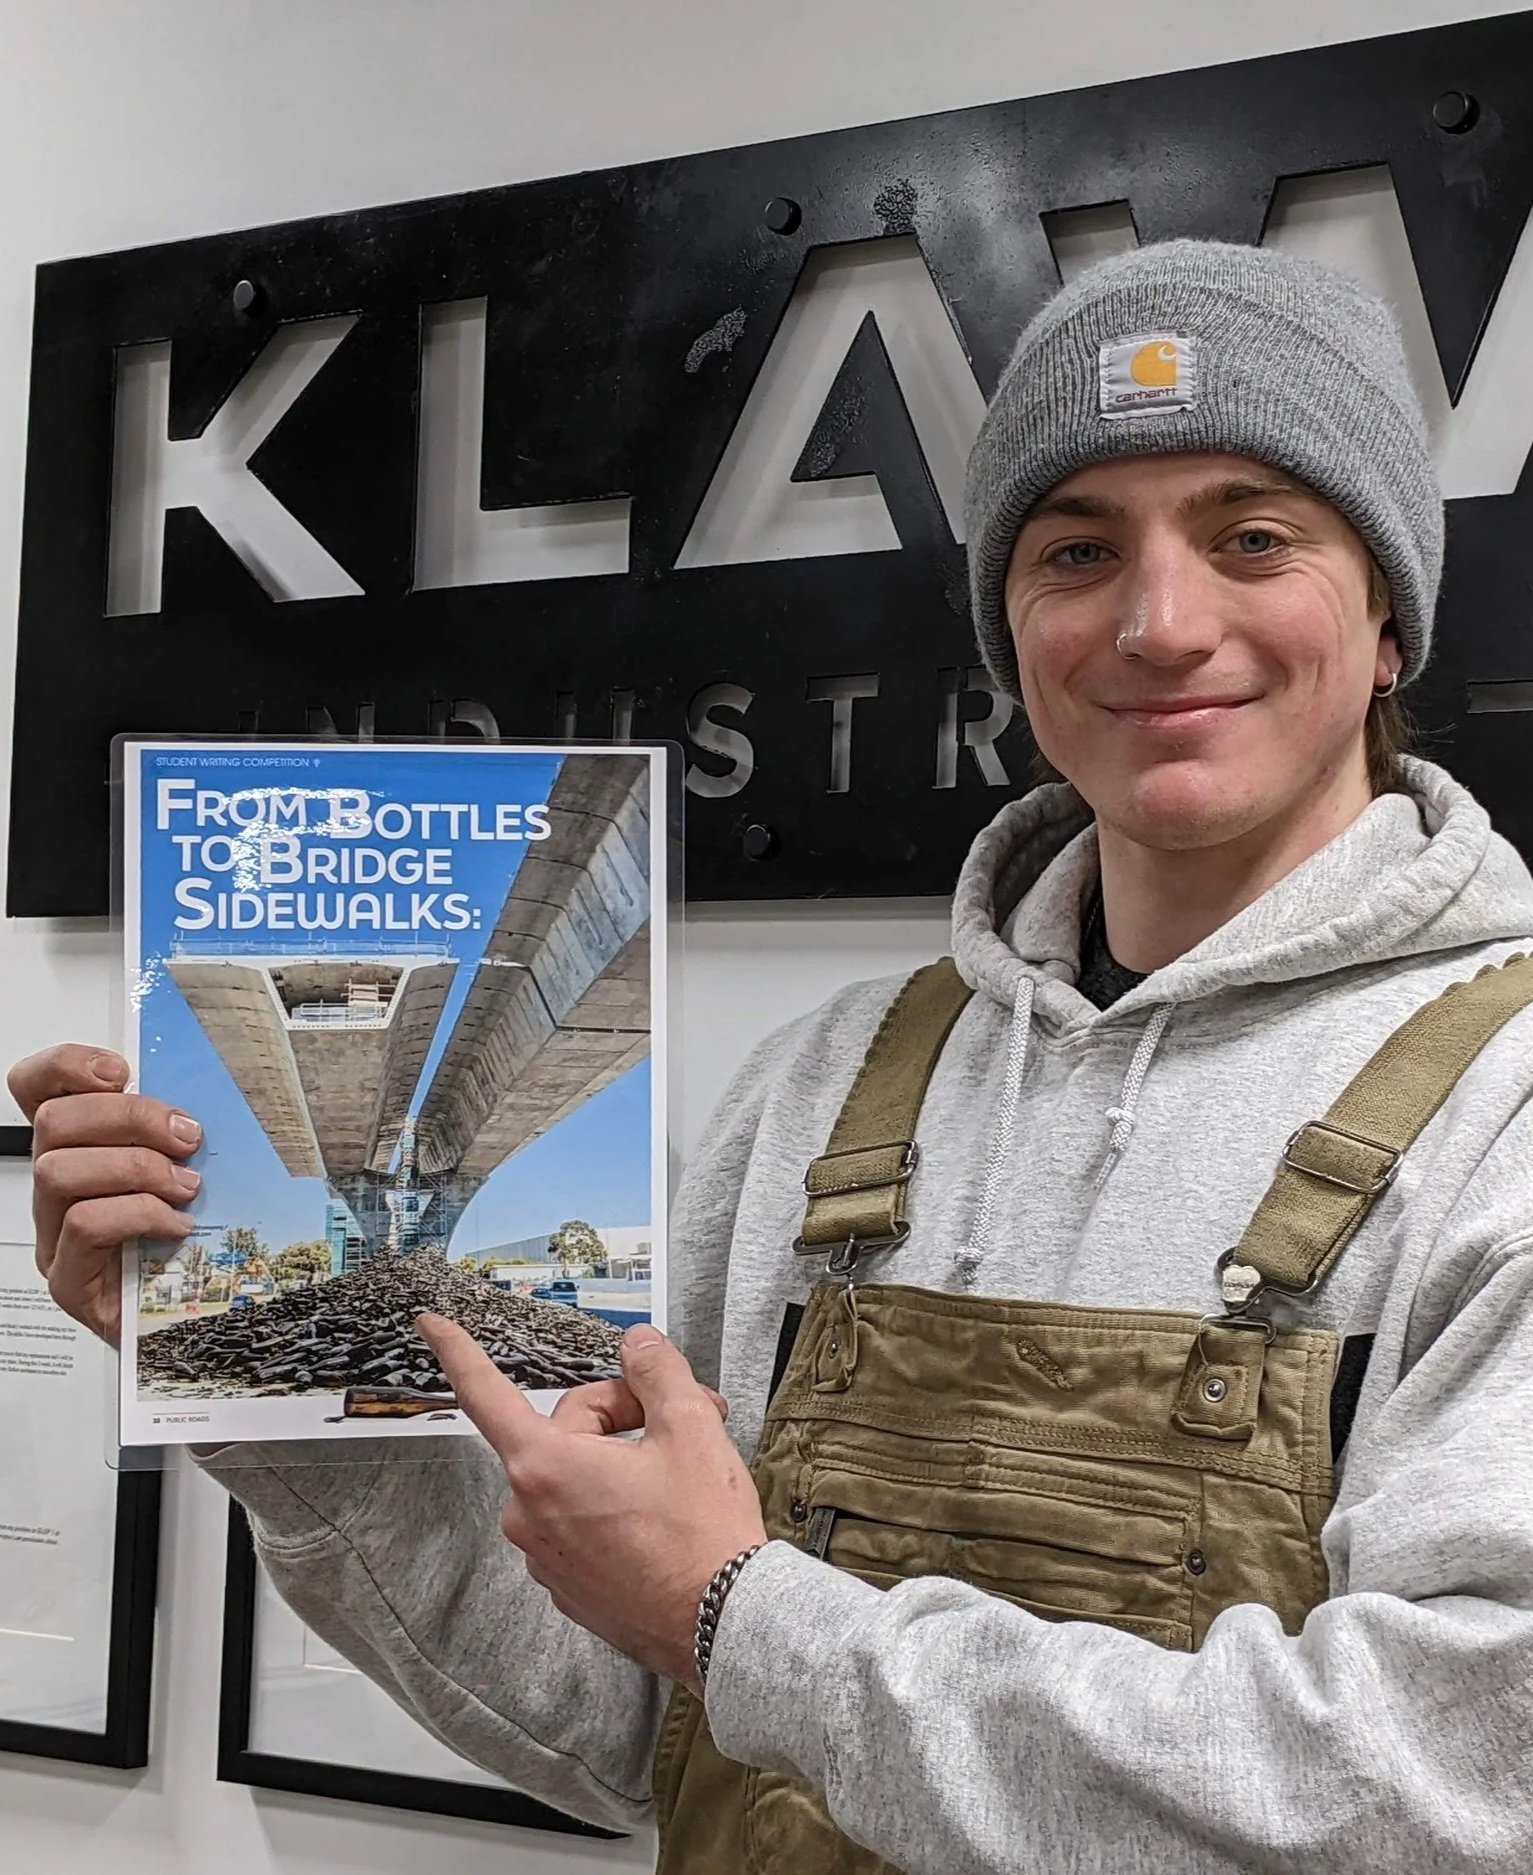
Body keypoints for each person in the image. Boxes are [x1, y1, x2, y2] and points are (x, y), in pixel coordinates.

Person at [13, 239, 1533, 1874]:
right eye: (1076, 549)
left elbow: (1454, 1780)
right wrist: (250, 1366)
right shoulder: (825, 1089)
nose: (1159, 623)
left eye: (1250, 537)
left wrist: (749, 1622)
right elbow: (613, 1719)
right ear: (1010, 629)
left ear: (1387, 623)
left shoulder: (1500, 1104)